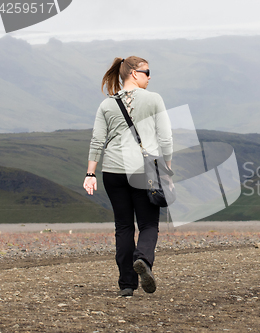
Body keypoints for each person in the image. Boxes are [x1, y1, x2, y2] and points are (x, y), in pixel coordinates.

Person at [83, 56, 173, 297]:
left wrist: (90, 172)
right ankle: (143, 258)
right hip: (144, 171)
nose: (149, 76)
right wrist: (167, 171)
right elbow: (165, 139)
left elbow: (97, 141)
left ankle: (126, 284)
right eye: (146, 72)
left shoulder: (106, 105)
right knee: (148, 224)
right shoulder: (154, 99)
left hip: (112, 172)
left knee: (123, 226)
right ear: (134, 73)